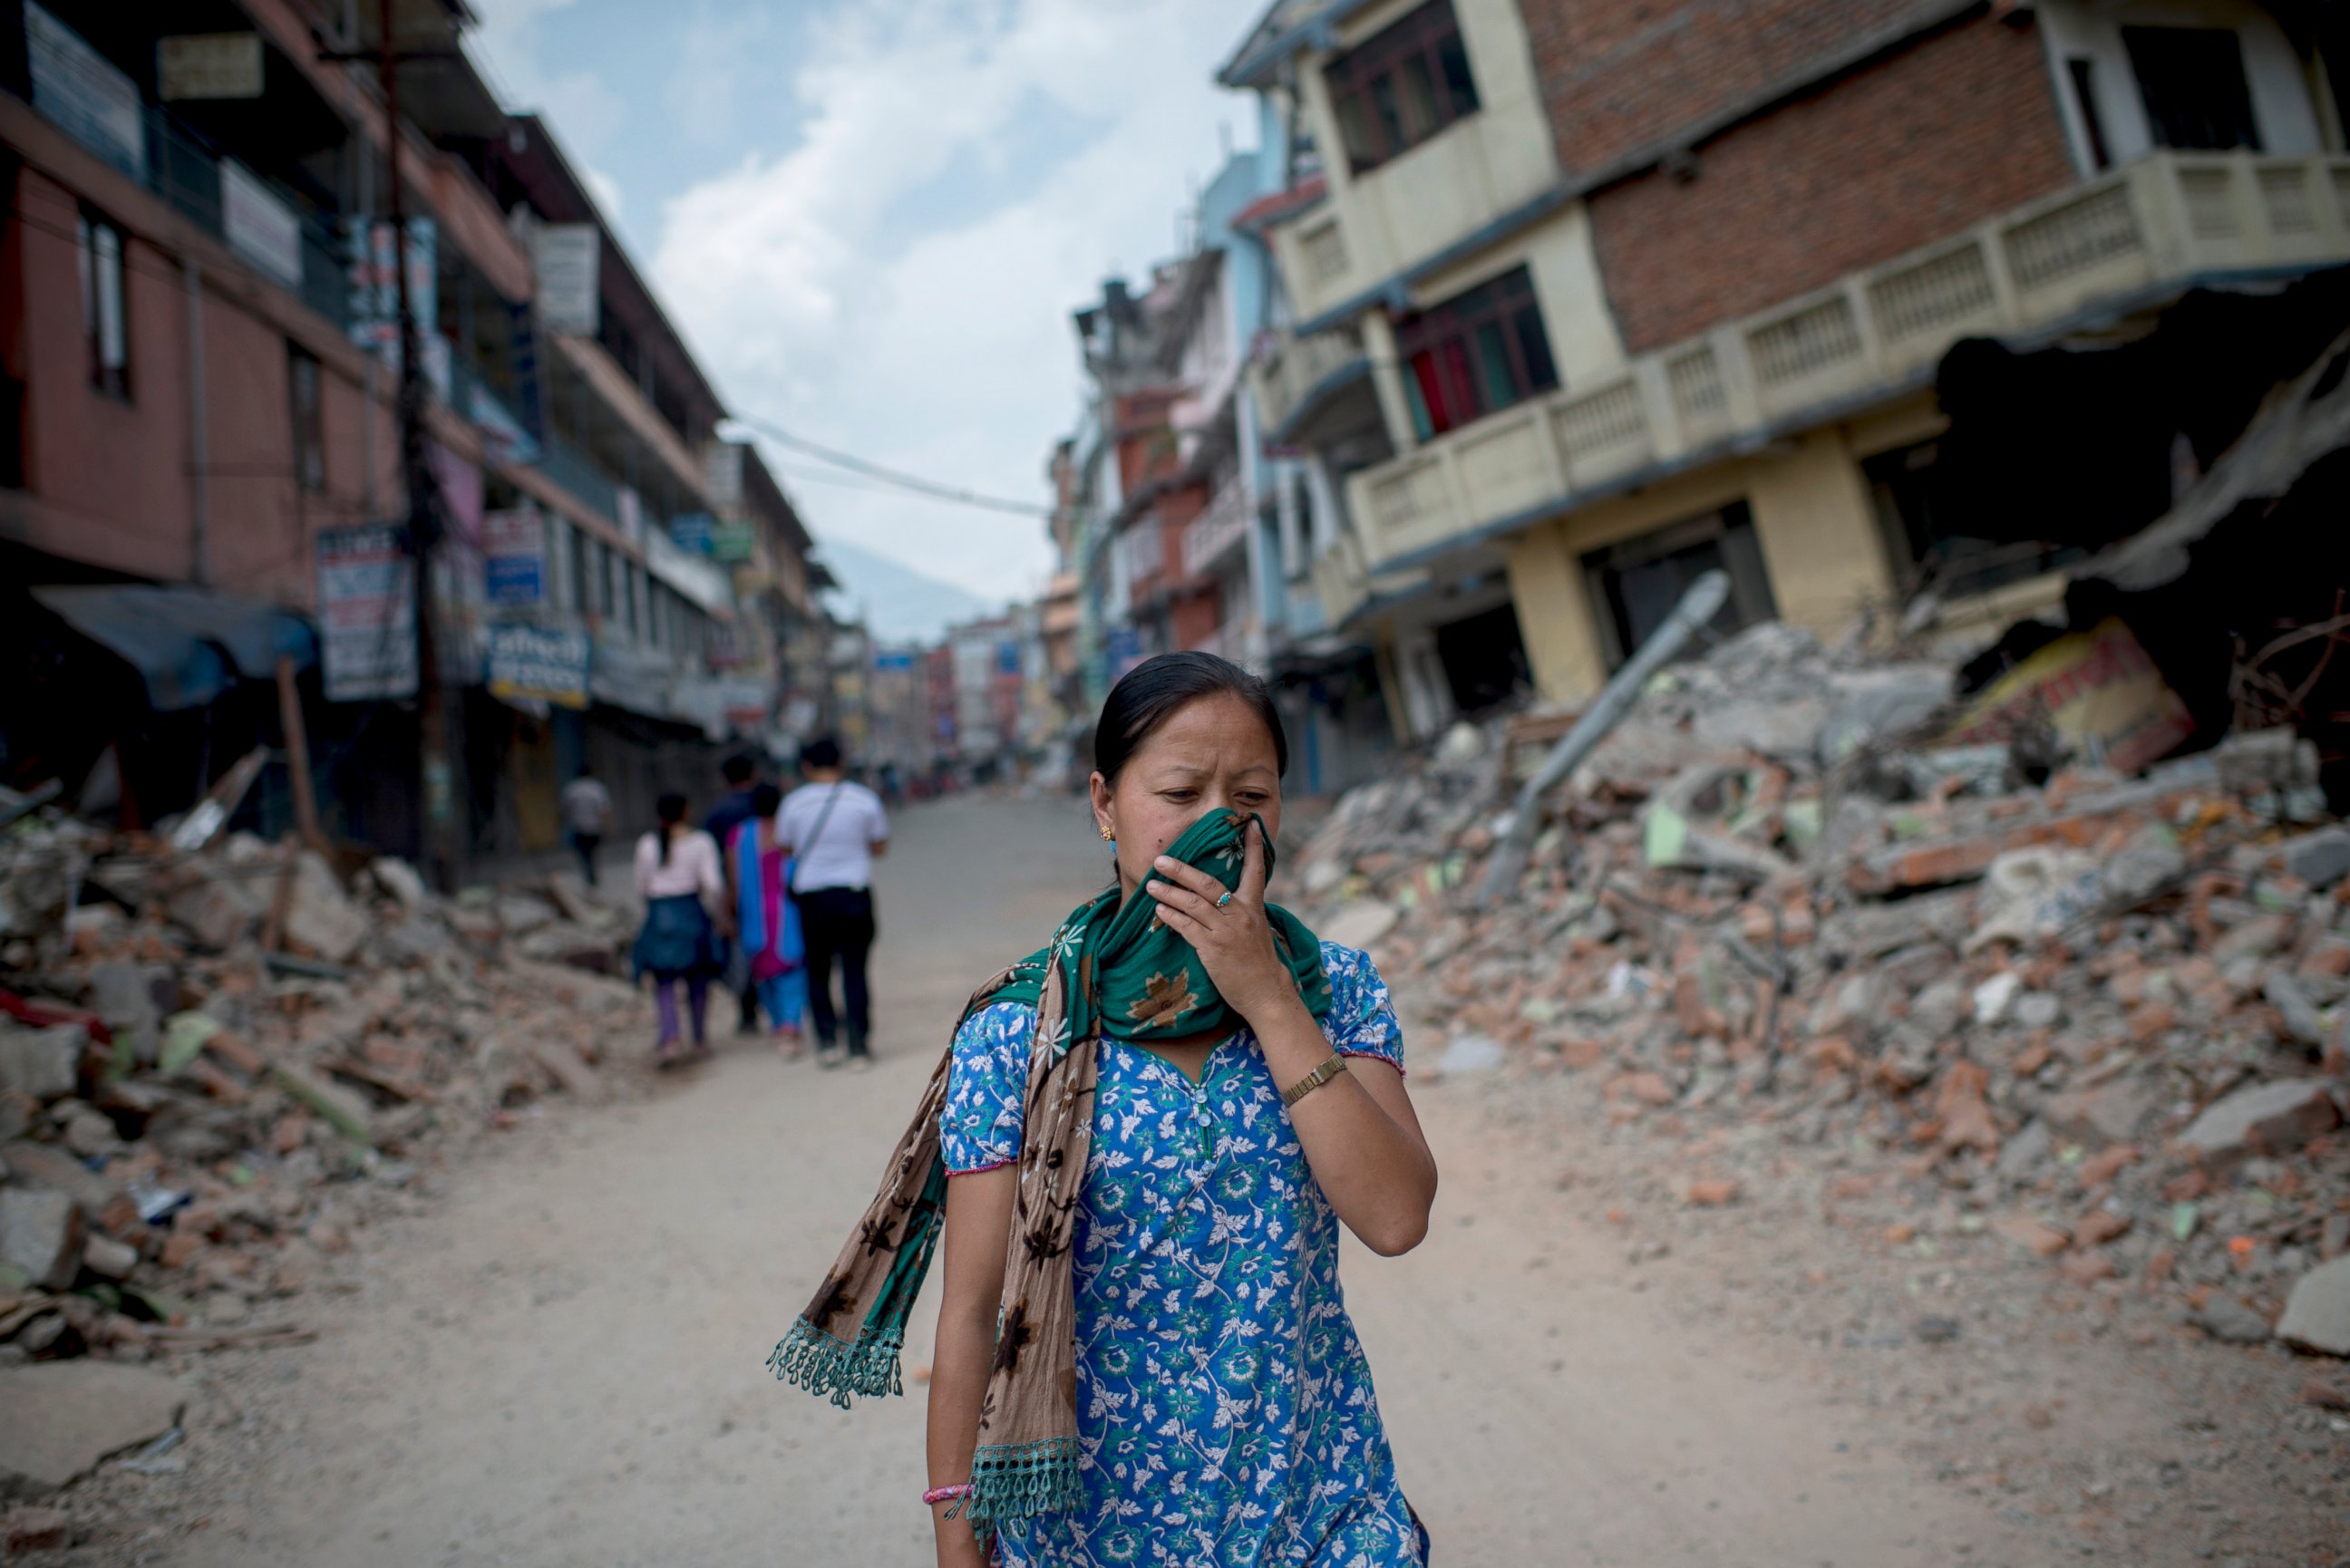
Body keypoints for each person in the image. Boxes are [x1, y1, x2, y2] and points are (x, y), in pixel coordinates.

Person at [768, 653, 1437, 1568]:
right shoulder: (1018, 1034)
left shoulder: (1334, 991)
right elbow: (969, 1313)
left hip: (1321, 1515)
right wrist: (957, 1542)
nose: (1219, 822)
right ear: (1104, 804)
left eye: (1251, 792)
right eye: (1178, 789)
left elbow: (1396, 1217)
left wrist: (1270, 999)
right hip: (1091, 1535)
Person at [774, 737, 889, 1070]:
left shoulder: (793, 804)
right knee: (855, 969)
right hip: (854, 892)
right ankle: (859, 1047)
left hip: (812, 897)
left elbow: (785, 849)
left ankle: (827, 1043)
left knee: (818, 971)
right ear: (841, 763)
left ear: (806, 766)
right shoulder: (863, 799)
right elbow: (879, 846)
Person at [629, 792, 725, 1068]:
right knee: (698, 981)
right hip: (691, 913)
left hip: (660, 916)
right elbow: (713, 885)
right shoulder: (701, 842)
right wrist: (716, 914)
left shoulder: (647, 844)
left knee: (665, 983)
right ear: (686, 811)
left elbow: (641, 887)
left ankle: (670, 1038)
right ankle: (700, 1039)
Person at [730, 781, 807, 1057]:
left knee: (765, 973)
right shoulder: (790, 832)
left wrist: (731, 914)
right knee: (793, 970)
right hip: (789, 911)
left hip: (754, 915)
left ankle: (778, 1025)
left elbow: (733, 880)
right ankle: (790, 1023)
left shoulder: (739, 835)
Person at [704, 753, 766, 1035]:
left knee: (742, 954)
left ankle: (748, 1013)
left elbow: (714, 860)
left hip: (736, 891)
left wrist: (724, 902)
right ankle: (780, 1008)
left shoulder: (717, 814)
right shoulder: (764, 804)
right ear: (752, 774)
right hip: (770, 886)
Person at [558, 765, 613, 887]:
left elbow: (564, 810)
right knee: (592, 852)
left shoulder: (571, 789)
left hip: (579, 827)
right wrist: (608, 827)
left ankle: (589, 873)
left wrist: (560, 825)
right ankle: (591, 874)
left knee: (584, 853)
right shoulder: (597, 788)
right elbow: (605, 810)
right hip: (595, 827)